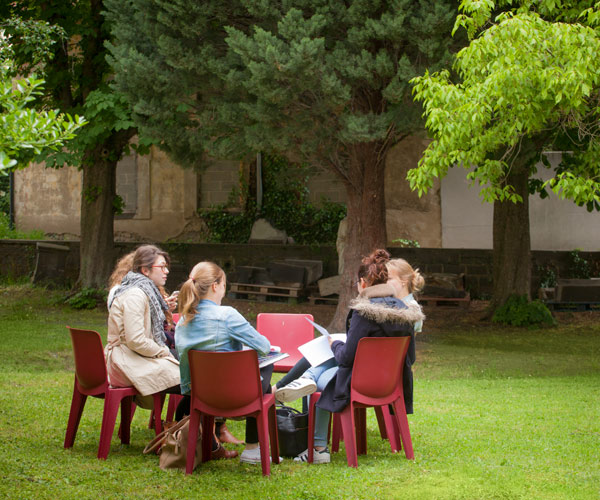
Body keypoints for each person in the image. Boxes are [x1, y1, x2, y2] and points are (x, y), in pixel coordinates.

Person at [274, 249, 425, 464]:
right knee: (321, 373)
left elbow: (346, 358)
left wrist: (335, 343)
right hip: (390, 385)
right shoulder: (407, 312)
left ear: (363, 283)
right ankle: (306, 378)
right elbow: (410, 357)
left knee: (317, 382)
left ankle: (318, 449)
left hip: (358, 384)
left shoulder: (363, 312)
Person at [175, 261, 279, 465]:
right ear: (215, 286)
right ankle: (252, 447)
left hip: (198, 395)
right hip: (235, 396)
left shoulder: (182, 320)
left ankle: (245, 446)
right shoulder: (226, 316)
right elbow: (264, 346)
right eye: (224, 285)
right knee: (267, 363)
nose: (224, 289)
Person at [105, 245, 180, 410]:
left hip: (131, 357)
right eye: (161, 267)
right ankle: (191, 430)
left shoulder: (143, 291)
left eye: (166, 267)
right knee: (193, 376)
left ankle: (191, 428)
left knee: (192, 371)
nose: (166, 271)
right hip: (126, 361)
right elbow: (136, 340)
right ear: (145, 271)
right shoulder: (136, 294)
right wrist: (164, 352)